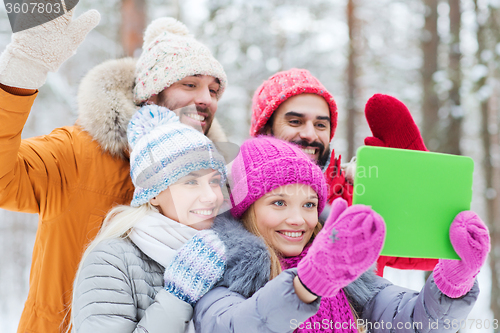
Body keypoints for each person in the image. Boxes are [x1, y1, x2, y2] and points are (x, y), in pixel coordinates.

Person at [0, 7, 227, 332]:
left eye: (214, 90)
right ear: (151, 95)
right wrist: (22, 71)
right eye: (190, 85)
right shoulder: (78, 152)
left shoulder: (215, 183)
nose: (206, 99)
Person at [193, 136, 488, 333]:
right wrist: (308, 282)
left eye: (309, 204)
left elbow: (411, 321)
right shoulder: (220, 269)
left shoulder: (345, 272)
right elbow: (233, 326)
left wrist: (453, 281)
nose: (297, 219)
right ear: (245, 208)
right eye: (279, 202)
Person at [250, 69, 438, 275]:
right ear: (266, 130)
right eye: (295, 121)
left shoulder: (358, 201)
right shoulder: (238, 202)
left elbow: (436, 252)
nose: (310, 134)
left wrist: (416, 178)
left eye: (320, 124)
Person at [70, 105, 227, 332]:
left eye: (214, 181)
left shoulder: (224, 250)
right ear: (154, 193)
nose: (212, 196)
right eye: (191, 182)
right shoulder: (111, 260)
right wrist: (177, 298)